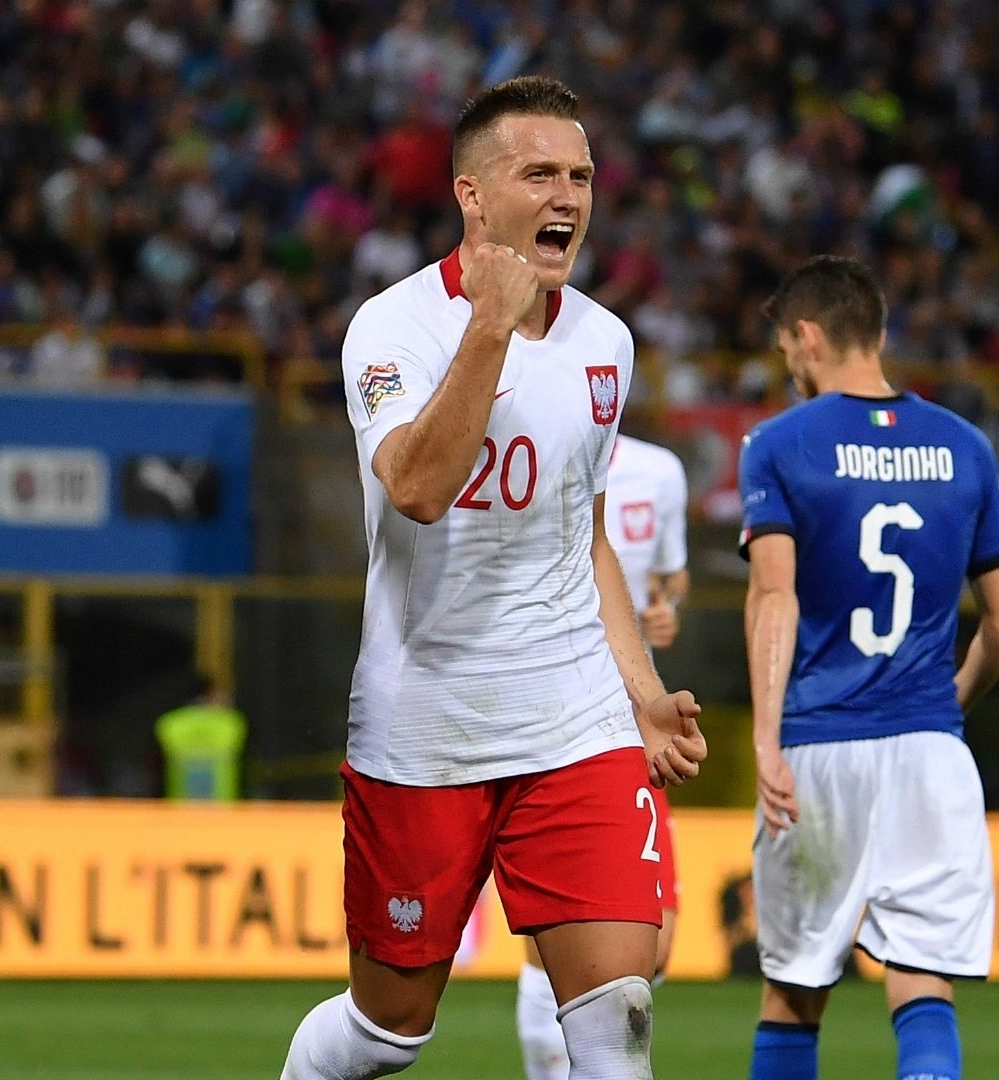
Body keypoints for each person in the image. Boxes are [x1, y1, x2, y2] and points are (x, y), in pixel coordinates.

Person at [281, 75, 707, 1080]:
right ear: (474, 196)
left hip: (574, 719)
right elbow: (420, 489)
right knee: (388, 1030)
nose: (568, 196)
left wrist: (641, 696)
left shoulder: (607, 342)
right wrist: (490, 327)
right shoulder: (392, 330)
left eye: (582, 176)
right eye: (539, 174)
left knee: (618, 1020)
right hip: (426, 723)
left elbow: (584, 532)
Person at [740, 256, 999, 1080]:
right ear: (882, 334)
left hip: (817, 749)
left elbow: (774, 599)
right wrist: (948, 704)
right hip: (930, 755)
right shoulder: (965, 447)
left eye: (786, 348)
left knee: (793, 990)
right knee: (922, 980)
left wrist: (765, 742)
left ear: (808, 334)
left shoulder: (779, 445)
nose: (788, 366)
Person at [516, 431, 690, 1080]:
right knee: (558, 939)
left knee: (656, 944)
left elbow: (672, 578)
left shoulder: (660, 470)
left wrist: (668, 606)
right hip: (542, 713)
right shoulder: (530, 443)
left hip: (627, 720)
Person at [155, 675, 248, 801]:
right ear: (210, 692)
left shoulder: (170, 722)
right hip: (222, 803)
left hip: (181, 803)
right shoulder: (231, 722)